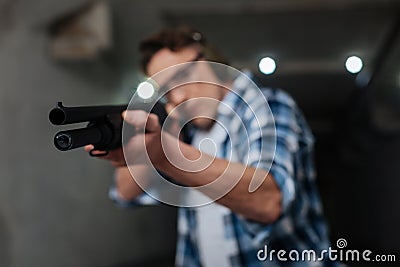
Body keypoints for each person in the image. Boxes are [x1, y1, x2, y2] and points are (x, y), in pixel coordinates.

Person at [87, 26, 337, 267]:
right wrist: (151, 132)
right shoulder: (189, 132)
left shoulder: (267, 104)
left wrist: (166, 152)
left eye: (182, 76)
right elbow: (125, 193)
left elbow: (268, 201)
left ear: (208, 59)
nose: (179, 96)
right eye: (167, 91)